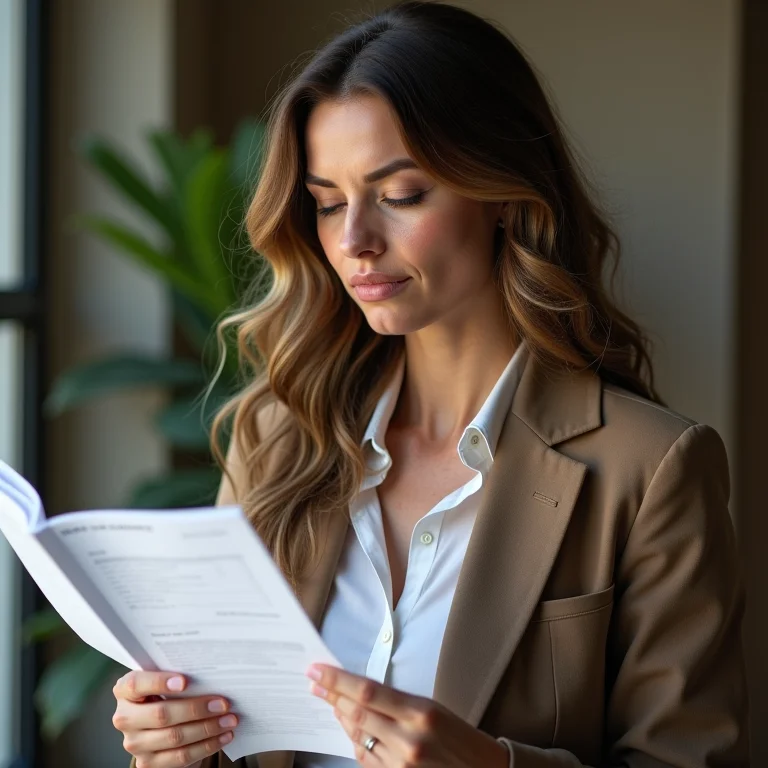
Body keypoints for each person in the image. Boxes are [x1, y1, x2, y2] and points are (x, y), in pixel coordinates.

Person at [112, 2, 750, 766]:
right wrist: (173, 745)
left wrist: (496, 766)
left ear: (506, 193)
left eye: (402, 194)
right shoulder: (275, 439)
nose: (354, 242)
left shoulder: (650, 469)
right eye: (327, 204)